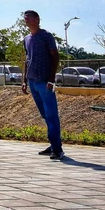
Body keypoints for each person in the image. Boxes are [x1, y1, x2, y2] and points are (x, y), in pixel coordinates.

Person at [21, 10, 63, 159]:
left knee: (51, 115)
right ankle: (53, 144)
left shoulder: (46, 36)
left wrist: (51, 79)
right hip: (32, 81)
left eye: (28, 18)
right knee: (45, 115)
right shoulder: (26, 39)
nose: (25, 20)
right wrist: (24, 80)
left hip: (45, 82)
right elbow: (27, 59)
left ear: (37, 19)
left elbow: (55, 57)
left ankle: (57, 150)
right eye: (24, 18)